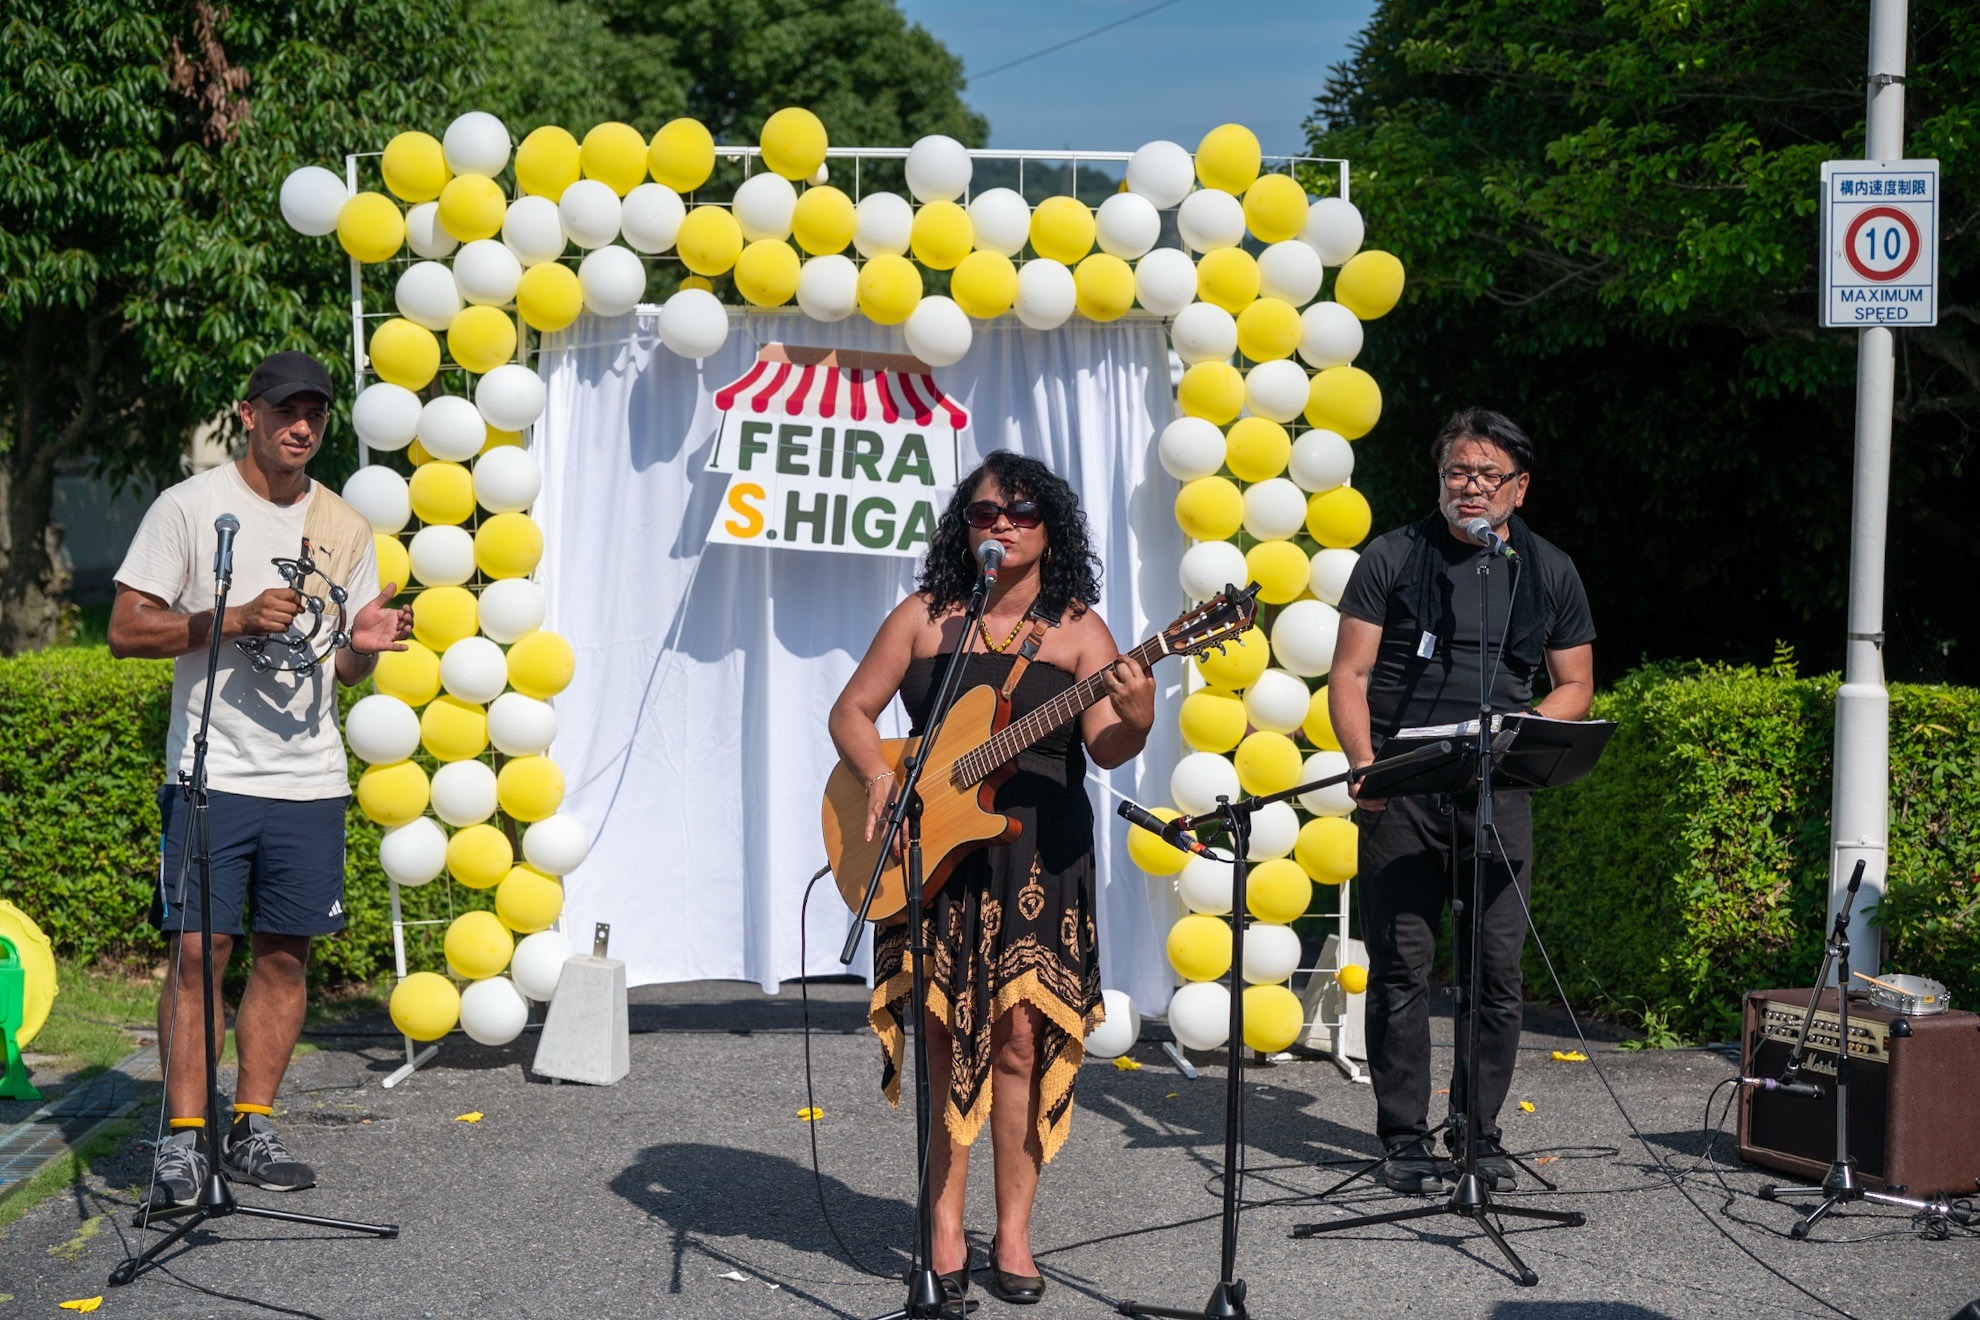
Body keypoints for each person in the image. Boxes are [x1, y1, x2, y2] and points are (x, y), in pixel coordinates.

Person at [828, 451, 1154, 1305]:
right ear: (962, 528)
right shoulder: (926, 617)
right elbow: (851, 712)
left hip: (1037, 857)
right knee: (940, 1038)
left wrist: (1139, 716)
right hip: (933, 848)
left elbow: (1106, 746)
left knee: (1018, 1040)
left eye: (1021, 513)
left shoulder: (1080, 631)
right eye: (984, 513)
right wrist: (878, 776)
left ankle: (1013, 1232)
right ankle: (942, 1225)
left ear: (1051, 528)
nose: (1002, 525)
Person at [109, 351, 413, 1206]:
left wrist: (366, 646)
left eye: (315, 413)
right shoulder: (191, 507)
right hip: (211, 771)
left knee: (285, 956)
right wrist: (232, 619)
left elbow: (341, 663)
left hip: (310, 778)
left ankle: (251, 1127)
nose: (301, 427)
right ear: (249, 414)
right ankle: (182, 1138)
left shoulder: (345, 524)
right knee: (198, 952)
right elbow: (126, 630)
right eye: (285, 410)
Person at [1327, 407, 1595, 1196]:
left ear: (1520, 486)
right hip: (1404, 787)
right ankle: (1404, 1139)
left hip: (1496, 789)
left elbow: (1576, 684)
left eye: (1487, 475)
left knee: (1495, 972)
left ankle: (1477, 1135)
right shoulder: (1393, 556)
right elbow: (1349, 674)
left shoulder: (1548, 569)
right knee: (1402, 967)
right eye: (1457, 472)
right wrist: (1365, 765)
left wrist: (1519, 729)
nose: (1470, 487)